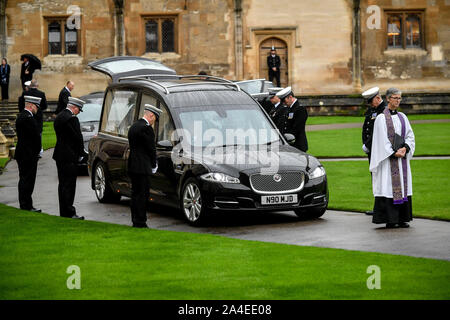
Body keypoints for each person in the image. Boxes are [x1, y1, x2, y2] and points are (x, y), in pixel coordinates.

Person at [370, 88, 415, 229]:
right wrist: (392, 152)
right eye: (395, 98)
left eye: (399, 98)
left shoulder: (403, 117)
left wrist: (405, 148)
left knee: (403, 186)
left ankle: (402, 218)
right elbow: (379, 140)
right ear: (388, 99)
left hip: (402, 160)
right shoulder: (381, 118)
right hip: (388, 161)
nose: (398, 101)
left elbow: (410, 136)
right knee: (388, 187)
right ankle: (390, 219)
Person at [53, 97, 87, 220]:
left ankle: (63, 210)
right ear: (74, 107)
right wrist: (82, 153)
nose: (78, 112)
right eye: (79, 110)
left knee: (62, 184)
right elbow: (77, 138)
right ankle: (69, 211)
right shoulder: (72, 119)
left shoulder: (59, 117)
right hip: (70, 156)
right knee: (69, 184)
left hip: (59, 155)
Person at [127, 104, 160, 228]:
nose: (153, 122)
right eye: (154, 119)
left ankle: (135, 219)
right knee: (143, 195)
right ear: (151, 115)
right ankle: (141, 221)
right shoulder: (147, 129)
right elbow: (151, 149)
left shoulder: (133, 127)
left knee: (135, 194)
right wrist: (154, 164)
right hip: (143, 167)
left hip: (132, 165)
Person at [361, 86, 387, 215]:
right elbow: (367, 128)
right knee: (375, 178)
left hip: (379, 150)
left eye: (371, 101)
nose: (370, 105)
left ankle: (382, 208)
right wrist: (365, 144)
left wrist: (368, 145)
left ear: (378, 98)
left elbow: (378, 132)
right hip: (372, 150)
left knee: (381, 178)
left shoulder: (384, 110)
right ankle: (378, 207)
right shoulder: (374, 110)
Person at [14, 95, 42, 212]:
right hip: (28, 154)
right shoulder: (27, 118)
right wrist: (37, 151)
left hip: (25, 153)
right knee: (27, 180)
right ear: (30, 105)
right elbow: (34, 137)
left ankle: (26, 204)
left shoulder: (24, 116)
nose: (37, 109)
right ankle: (26, 205)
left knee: (25, 179)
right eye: (36, 106)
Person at [276, 86, 308, 152]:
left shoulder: (300, 109)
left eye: (284, 101)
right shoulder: (288, 108)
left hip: (297, 144)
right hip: (289, 144)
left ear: (290, 97)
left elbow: (297, 128)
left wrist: (287, 138)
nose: (283, 103)